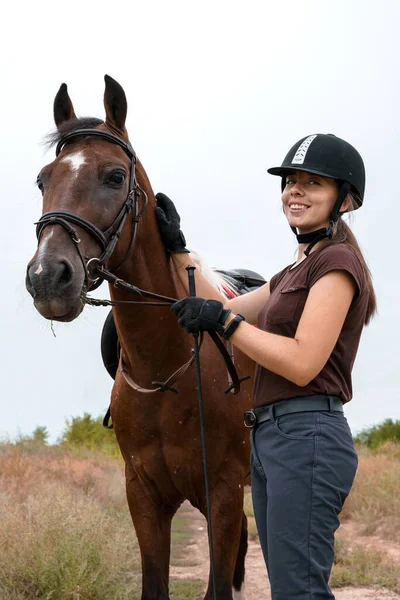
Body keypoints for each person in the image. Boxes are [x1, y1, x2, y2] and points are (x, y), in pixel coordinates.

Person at [155, 133, 376, 600]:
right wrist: (177, 249)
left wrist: (227, 323)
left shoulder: (336, 264)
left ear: (345, 198)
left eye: (312, 183)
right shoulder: (292, 271)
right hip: (271, 437)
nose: (294, 191)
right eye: (290, 182)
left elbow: (301, 362)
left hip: (308, 435)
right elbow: (216, 302)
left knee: (299, 591)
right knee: (286, 589)